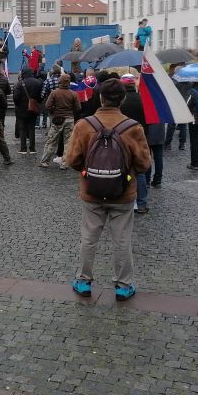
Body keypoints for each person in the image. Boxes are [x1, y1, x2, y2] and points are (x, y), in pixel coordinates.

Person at [64, 79, 151, 301]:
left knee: (89, 238)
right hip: (123, 193)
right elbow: (144, 165)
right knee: (122, 240)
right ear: (122, 99)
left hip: (91, 191)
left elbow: (72, 159)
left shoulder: (84, 125)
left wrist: (87, 171)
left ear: (100, 98)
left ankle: (83, 281)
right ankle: (123, 286)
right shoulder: (133, 127)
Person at [119, 74, 149, 214]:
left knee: (123, 170)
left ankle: (125, 199)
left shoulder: (120, 102)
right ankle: (142, 203)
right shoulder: (143, 99)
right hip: (140, 138)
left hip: (123, 140)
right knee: (140, 172)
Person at [39, 74, 81, 169]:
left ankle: (45, 161)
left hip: (57, 119)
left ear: (60, 82)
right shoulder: (73, 94)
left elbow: (47, 106)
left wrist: (54, 110)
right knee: (68, 142)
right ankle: (64, 163)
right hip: (70, 119)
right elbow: (78, 108)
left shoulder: (54, 93)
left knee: (51, 141)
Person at [13, 68, 42, 154]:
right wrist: (36, 103)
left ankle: (23, 148)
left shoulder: (19, 83)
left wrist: (18, 105)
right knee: (31, 129)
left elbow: (16, 97)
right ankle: (32, 149)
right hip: (33, 109)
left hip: (21, 110)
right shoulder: (38, 83)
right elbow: (41, 96)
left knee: (22, 129)